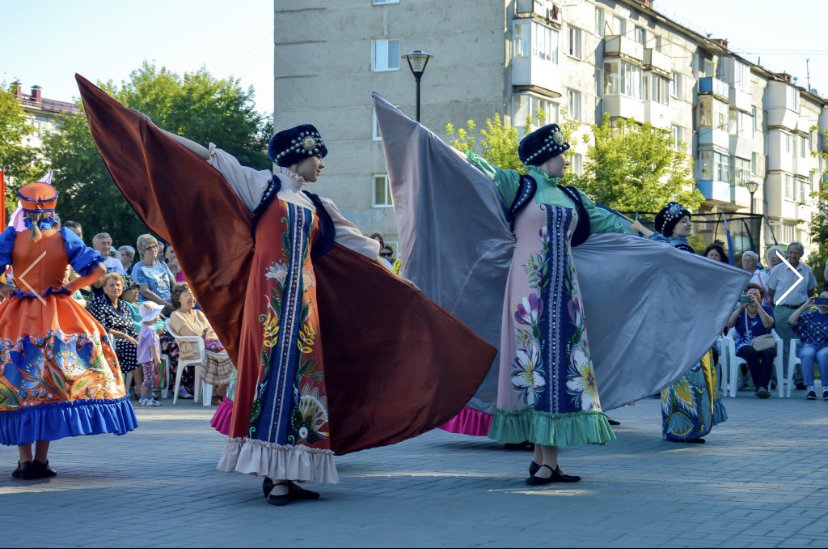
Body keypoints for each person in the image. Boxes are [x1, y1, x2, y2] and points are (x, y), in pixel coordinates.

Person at [79, 76, 494, 511]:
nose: (323, 165)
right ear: (299, 156)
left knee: (304, 384)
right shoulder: (263, 187)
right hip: (269, 306)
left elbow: (360, 247)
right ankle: (274, 476)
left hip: (307, 309)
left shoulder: (317, 207)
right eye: (319, 156)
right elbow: (209, 158)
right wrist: (154, 130)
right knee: (274, 378)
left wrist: (399, 282)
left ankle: (289, 472)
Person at [463, 124, 640, 484]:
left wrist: (648, 235)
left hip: (566, 293)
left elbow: (609, 221)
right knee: (536, 366)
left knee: (561, 366)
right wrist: (429, 142)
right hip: (528, 292)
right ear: (545, 156)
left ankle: (548, 460)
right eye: (562, 154)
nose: (566, 160)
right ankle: (545, 459)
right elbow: (472, 167)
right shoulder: (519, 185)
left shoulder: (573, 197)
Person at [0, 182, 136, 479]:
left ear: (23, 208)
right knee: (53, 386)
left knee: (21, 385)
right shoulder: (65, 236)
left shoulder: (11, 237)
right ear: (52, 207)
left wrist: (7, 286)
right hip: (56, 315)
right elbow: (99, 270)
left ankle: (24, 462)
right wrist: (69, 287)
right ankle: (41, 460)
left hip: (18, 315)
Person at [647, 202, 727, 443]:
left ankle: (677, 427)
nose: (689, 223)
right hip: (685, 322)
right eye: (683, 221)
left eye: (689, 220)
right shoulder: (678, 250)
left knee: (678, 374)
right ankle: (688, 428)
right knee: (691, 373)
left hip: (671, 320)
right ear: (671, 226)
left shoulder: (659, 247)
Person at [168, 282, 234, 402]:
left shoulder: (199, 314)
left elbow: (213, 331)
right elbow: (187, 333)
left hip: (208, 346)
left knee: (235, 355)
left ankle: (219, 390)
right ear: (178, 298)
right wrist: (204, 335)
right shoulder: (176, 315)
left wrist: (205, 335)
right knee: (230, 356)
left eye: (193, 294)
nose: (192, 298)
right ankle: (217, 392)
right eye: (188, 294)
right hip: (191, 348)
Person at [767, 242, 817, 390]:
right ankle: (776, 379)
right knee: (780, 345)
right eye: (791, 252)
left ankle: (800, 379)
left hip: (801, 312)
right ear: (787, 253)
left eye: (796, 253)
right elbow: (770, 292)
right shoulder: (778, 270)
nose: (793, 255)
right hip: (781, 311)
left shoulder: (807, 271)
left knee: (801, 345)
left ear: (801, 255)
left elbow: (810, 292)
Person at [87, 273, 141, 396]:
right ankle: (139, 387)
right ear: (104, 288)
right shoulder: (99, 302)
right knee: (133, 347)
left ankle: (148, 386)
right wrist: (126, 336)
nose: (116, 288)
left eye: (118, 285)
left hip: (126, 339)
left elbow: (131, 329)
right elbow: (102, 327)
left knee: (145, 346)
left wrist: (137, 337)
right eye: (111, 285)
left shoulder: (124, 306)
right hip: (108, 340)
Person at [724, 283, 776, 398]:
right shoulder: (740, 310)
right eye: (750, 294)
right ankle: (761, 387)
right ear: (744, 296)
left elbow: (768, 324)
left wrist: (758, 306)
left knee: (770, 353)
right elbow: (729, 324)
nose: (752, 297)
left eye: (756, 295)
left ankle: (761, 387)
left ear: (761, 297)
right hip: (743, 345)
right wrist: (741, 307)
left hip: (762, 344)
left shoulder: (767, 309)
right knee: (750, 352)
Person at [788, 291, 828, 400]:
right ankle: (810, 389)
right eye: (823, 297)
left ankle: (826, 389)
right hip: (810, 344)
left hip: (826, 345)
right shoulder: (809, 315)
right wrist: (805, 305)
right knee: (807, 353)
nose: (825, 300)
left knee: (823, 355)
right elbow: (791, 321)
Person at [131, 234, 175, 313]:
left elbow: (174, 284)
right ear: (142, 251)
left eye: (155, 246)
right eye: (149, 248)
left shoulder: (162, 264)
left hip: (170, 303)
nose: (153, 249)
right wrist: (167, 305)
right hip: (152, 309)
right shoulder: (138, 268)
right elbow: (145, 292)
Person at [136, 302, 165, 407]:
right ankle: (144, 398)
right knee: (148, 379)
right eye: (156, 315)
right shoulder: (150, 329)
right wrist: (157, 359)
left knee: (149, 378)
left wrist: (157, 334)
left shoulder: (145, 328)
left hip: (145, 358)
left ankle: (148, 398)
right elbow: (152, 346)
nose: (158, 317)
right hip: (149, 358)